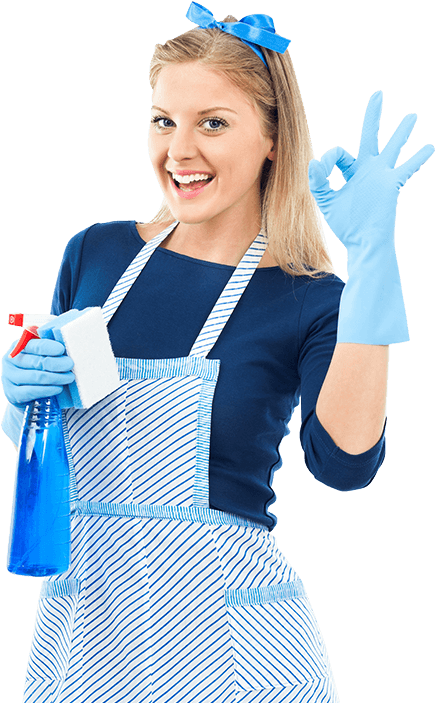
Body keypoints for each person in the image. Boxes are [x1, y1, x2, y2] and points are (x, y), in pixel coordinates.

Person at [1, 3, 433, 702]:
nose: (179, 150)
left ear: (271, 138)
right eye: (163, 119)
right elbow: (45, 456)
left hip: (234, 651)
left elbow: (346, 464)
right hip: (85, 630)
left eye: (213, 123)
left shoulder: (308, 299)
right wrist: (23, 397)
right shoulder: (95, 255)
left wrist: (373, 262)